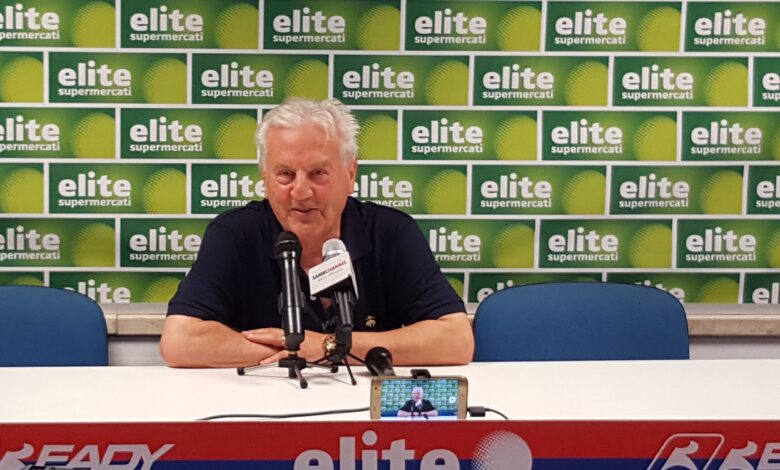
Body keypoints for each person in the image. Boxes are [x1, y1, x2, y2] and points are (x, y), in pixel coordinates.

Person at [161, 97, 474, 368]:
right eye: (285, 174)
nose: (300, 191)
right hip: (265, 402)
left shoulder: (390, 232)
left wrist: (329, 347)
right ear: (265, 179)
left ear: (350, 174)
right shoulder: (234, 233)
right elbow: (181, 340)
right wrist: (297, 352)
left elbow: (455, 340)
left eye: (317, 173)